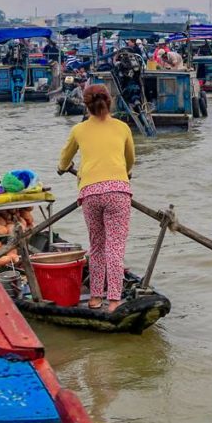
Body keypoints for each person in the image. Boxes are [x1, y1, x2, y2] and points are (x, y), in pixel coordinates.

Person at [57, 85, 135, 312]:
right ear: (109, 102)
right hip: (118, 192)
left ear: (86, 104)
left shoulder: (79, 130)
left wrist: (63, 168)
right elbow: (130, 159)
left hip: (90, 193)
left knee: (97, 246)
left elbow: (64, 159)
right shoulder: (122, 128)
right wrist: (124, 174)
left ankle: (95, 298)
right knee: (115, 248)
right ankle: (114, 300)